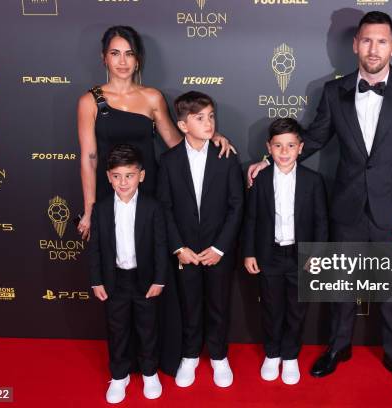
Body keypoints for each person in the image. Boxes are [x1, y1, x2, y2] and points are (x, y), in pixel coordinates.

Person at [248, 11, 392, 395]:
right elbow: (312, 139)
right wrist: (270, 160)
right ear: (355, 45)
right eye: (367, 40)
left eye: (381, 41)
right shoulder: (334, 92)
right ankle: (337, 347)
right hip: (346, 207)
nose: (373, 48)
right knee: (340, 288)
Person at [77, 25, 233, 240]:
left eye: (129, 54)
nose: (122, 62)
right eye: (115, 53)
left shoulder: (152, 97)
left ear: (138, 59)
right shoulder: (90, 101)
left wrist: (209, 136)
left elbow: (176, 142)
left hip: (148, 187)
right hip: (109, 189)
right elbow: (89, 158)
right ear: (104, 57)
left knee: (150, 257)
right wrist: (90, 208)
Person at [157, 91, 244, 389]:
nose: (208, 123)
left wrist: (220, 247)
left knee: (219, 305)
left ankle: (219, 356)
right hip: (186, 252)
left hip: (218, 250)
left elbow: (237, 206)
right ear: (182, 125)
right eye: (199, 118)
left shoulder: (227, 156)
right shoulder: (168, 162)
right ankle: (190, 355)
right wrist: (179, 247)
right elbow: (164, 208)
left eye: (211, 117)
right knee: (190, 305)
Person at [242, 118, 328, 385]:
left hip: (301, 255)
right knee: (271, 307)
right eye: (278, 146)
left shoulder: (313, 181)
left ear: (300, 148)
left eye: (290, 145)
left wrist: (316, 254)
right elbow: (251, 219)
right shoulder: (260, 178)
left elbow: (321, 221)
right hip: (269, 255)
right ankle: (272, 353)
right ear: (269, 147)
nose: (284, 151)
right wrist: (249, 252)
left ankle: (290, 356)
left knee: (297, 308)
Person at [88, 144, 168, 403]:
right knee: (117, 329)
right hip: (115, 281)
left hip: (144, 280)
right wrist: (96, 280)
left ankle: (149, 373)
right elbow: (96, 249)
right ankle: (119, 376)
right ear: (109, 177)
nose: (123, 182)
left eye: (130, 175)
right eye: (117, 176)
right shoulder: (100, 209)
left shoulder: (152, 207)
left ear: (141, 176)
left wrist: (159, 279)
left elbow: (160, 246)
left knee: (147, 328)